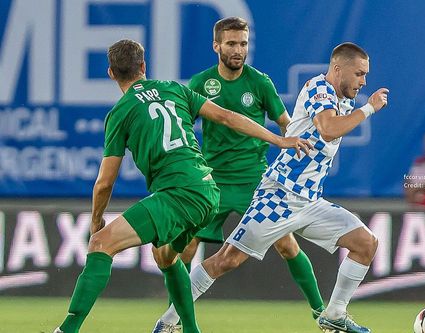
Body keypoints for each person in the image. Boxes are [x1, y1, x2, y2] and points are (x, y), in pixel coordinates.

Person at [53, 39, 311, 333]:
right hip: (208, 190)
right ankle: (189, 329)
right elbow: (227, 116)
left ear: (111, 73)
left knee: (101, 244)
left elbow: (104, 183)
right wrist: (278, 139)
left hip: (178, 194)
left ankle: (66, 330)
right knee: (165, 255)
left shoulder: (121, 112)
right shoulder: (173, 89)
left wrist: (96, 221)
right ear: (143, 66)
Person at [156, 42, 389, 333]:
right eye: (359, 74)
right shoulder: (320, 89)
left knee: (366, 243)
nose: (363, 81)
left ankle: (335, 314)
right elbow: (328, 129)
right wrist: (370, 108)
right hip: (279, 195)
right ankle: (167, 322)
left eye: (365, 75)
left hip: (310, 201)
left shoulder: (343, 99)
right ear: (338, 69)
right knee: (227, 260)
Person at [152, 17, 324, 333]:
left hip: (255, 183)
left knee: (286, 245)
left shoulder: (260, 83)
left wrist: (303, 144)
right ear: (216, 46)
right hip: (211, 183)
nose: (238, 50)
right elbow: (181, 126)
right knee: (186, 247)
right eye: (231, 43)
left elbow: (285, 122)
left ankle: (322, 315)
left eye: (243, 43)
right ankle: (174, 319)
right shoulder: (201, 83)